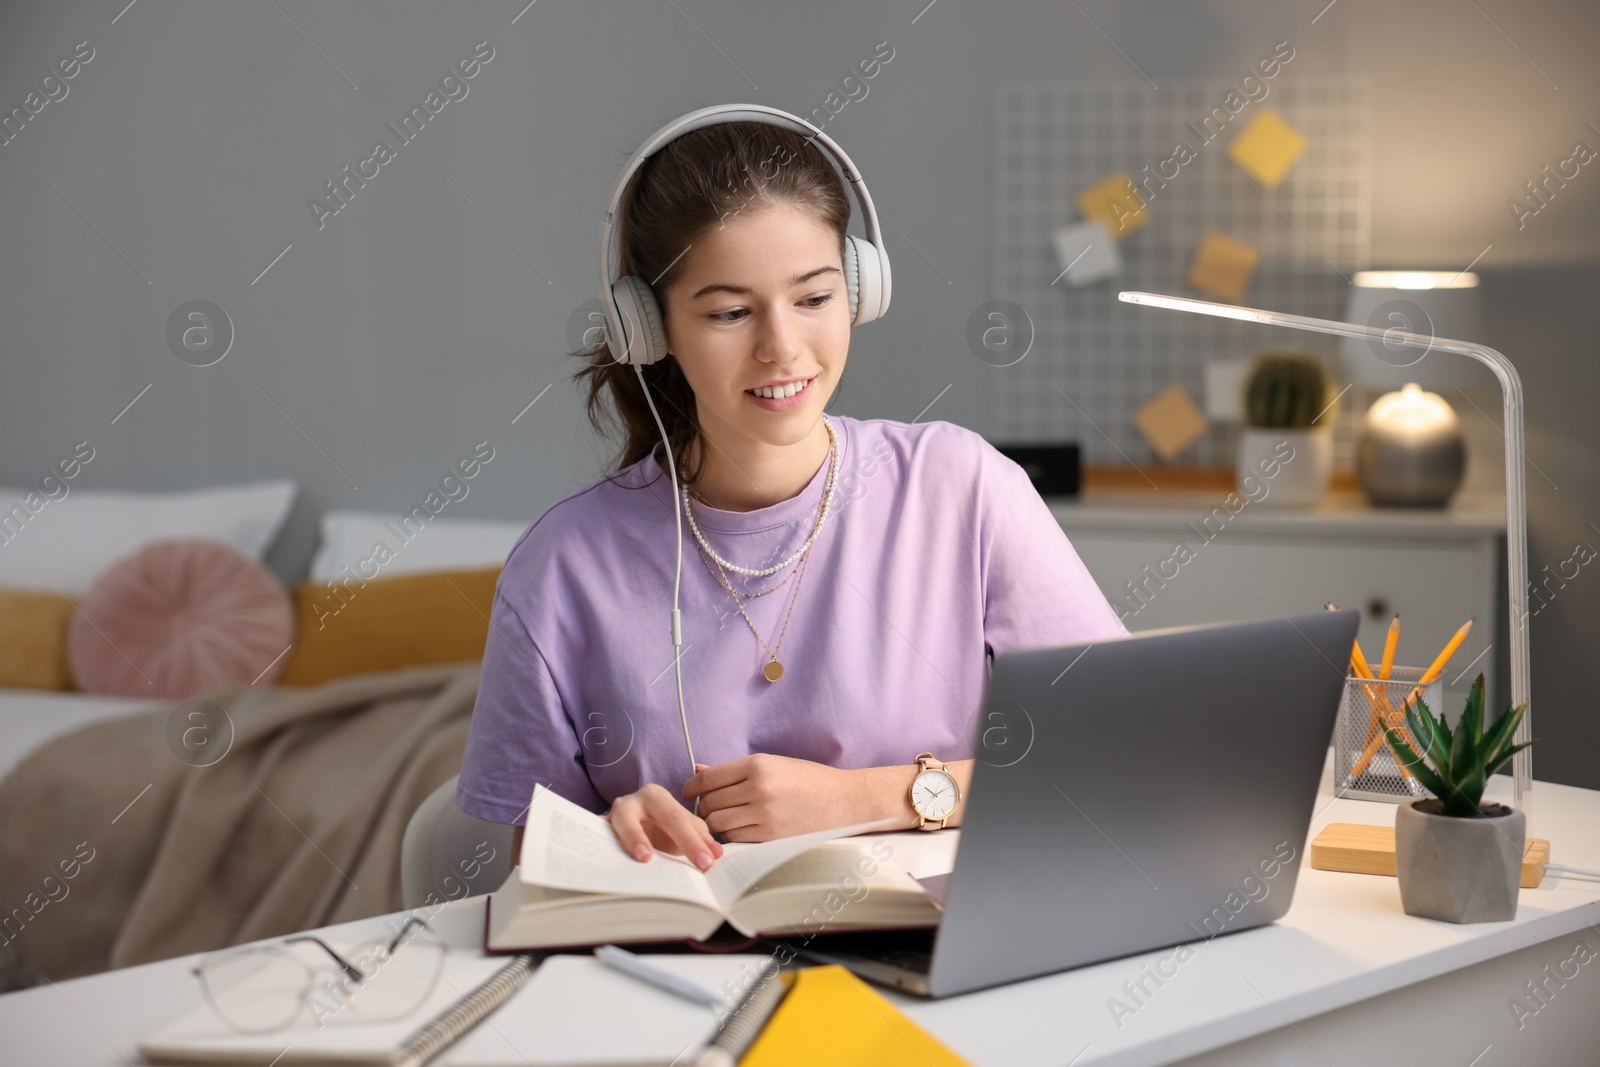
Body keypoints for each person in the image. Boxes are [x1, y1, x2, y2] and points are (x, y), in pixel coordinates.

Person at [454, 116, 1126, 874]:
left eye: (813, 298)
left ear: (859, 291)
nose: (782, 347)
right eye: (730, 313)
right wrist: (606, 839)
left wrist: (871, 797)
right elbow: (532, 882)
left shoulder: (961, 488)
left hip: (938, 962)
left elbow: (1116, 753)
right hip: (687, 977)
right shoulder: (560, 567)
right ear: (649, 327)